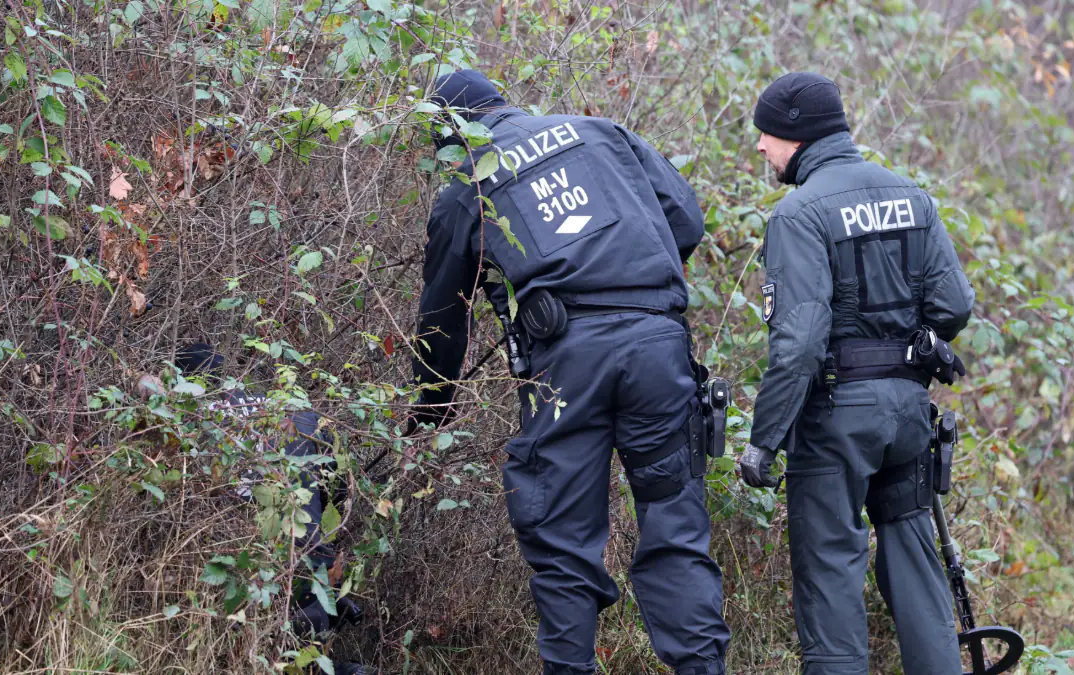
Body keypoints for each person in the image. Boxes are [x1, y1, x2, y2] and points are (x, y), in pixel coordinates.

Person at [410, 70, 730, 675]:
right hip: (659, 346)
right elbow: (685, 219)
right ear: (502, 102)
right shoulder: (600, 132)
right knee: (675, 523)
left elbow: (442, 314)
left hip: (567, 363)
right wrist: (634, 282)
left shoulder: (466, 184)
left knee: (561, 536)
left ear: (448, 135)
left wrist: (431, 405)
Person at [736, 72, 974, 675]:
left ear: (796, 134)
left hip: (836, 417)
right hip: (908, 412)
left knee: (829, 569)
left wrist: (764, 441)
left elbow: (799, 343)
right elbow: (954, 307)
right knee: (915, 555)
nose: (760, 146)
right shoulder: (912, 197)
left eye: (766, 133)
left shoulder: (799, 213)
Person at [168, 344, 374, 675]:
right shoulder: (286, 407)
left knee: (289, 626)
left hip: (264, 540)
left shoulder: (197, 422)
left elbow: (205, 502)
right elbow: (339, 491)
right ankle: (338, 655)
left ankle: (336, 666)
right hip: (310, 529)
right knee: (311, 575)